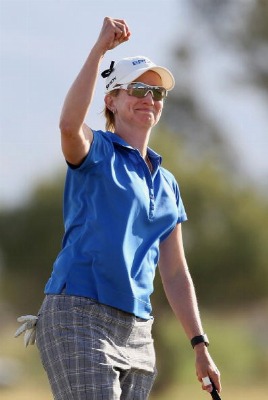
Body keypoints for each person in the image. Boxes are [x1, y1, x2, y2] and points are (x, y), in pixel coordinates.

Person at [31, 16, 221, 400]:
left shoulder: (167, 184)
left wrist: (199, 344)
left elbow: (175, 272)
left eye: (156, 93)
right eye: (137, 89)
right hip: (78, 315)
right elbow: (69, 126)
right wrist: (99, 50)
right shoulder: (97, 149)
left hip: (138, 330)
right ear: (111, 101)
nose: (148, 99)